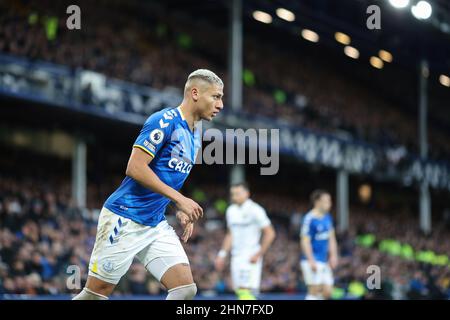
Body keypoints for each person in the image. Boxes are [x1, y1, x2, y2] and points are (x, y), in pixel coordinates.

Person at [73, 69, 224, 300]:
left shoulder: (195, 133)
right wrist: (180, 199)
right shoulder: (164, 121)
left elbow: (165, 177)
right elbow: (135, 167)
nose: (221, 104)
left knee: (185, 289)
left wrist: (177, 207)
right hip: (124, 218)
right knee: (95, 295)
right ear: (195, 93)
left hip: (154, 223)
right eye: (216, 96)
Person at [215, 182, 276, 300]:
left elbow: (270, 233)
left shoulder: (256, 210)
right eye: (233, 194)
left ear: (247, 193)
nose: (234, 197)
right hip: (236, 257)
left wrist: (259, 254)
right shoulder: (230, 211)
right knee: (241, 292)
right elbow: (230, 234)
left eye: (237, 193)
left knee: (245, 292)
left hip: (250, 256)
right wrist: (222, 255)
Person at [300, 189, 338, 300]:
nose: (329, 204)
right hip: (312, 259)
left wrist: (333, 255)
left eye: (330, 201)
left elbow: (331, 238)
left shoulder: (328, 218)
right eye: (326, 201)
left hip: (324, 260)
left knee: (328, 292)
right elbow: (304, 240)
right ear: (317, 202)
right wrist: (311, 259)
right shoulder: (309, 219)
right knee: (314, 290)